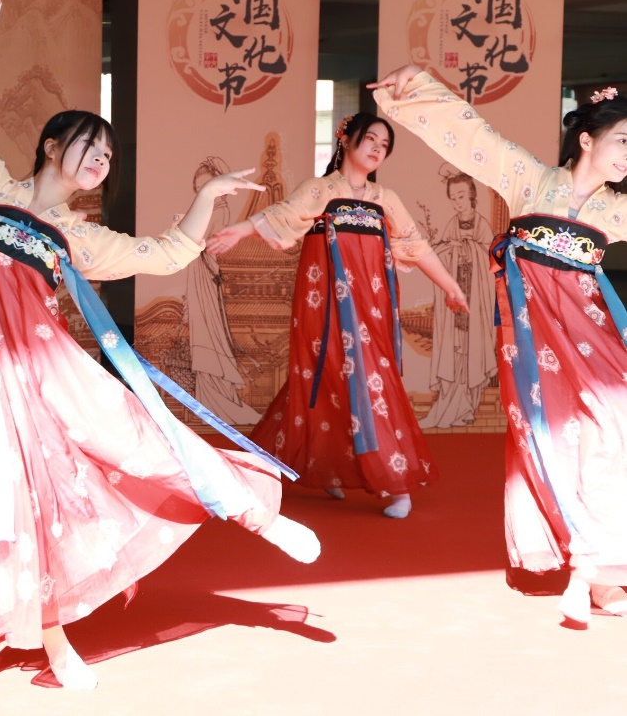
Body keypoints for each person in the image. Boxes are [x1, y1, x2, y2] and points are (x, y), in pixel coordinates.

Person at [0, 0, 320, 690]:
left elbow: (165, 254)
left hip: (54, 371)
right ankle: (54, 643)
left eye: (109, 155)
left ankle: (254, 512)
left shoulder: (80, 237)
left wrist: (208, 199)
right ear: (51, 145)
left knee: (146, 440)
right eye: (90, 146)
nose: (101, 160)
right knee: (24, 501)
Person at [373, 64, 627, 626]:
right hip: (534, 339)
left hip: (593, 335)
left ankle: (599, 567)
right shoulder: (530, 180)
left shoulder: (616, 209)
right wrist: (416, 87)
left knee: (616, 426)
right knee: (551, 437)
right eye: (623, 140)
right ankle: (592, 568)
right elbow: (472, 135)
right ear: (588, 140)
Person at [207, 113, 467, 519]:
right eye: (371, 139)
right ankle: (326, 466)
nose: (378, 148)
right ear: (345, 139)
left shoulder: (386, 199)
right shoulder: (320, 190)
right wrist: (239, 231)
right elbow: (280, 215)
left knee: (372, 379)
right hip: (322, 305)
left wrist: (450, 286)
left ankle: (394, 484)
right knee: (319, 376)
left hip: (370, 308)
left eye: (385, 144)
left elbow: (416, 246)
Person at [184, 158, 261, 425]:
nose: (203, 194)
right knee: (203, 329)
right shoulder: (210, 208)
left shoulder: (220, 209)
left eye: (208, 187)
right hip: (198, 271)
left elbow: (208, 242)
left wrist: (183, 229)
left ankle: (220, 400)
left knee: (210, 331)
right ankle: (208, 400)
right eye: (199, 190)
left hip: (206, 271)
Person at [422, 171, 497, 428]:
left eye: (462, 196)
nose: (458, 203)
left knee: (472, 351)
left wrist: (468, 248)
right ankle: (452, 405)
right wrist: (451, 249)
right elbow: (440, 254)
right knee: (454, 352)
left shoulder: (482, 224)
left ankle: (468, 407)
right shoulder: (451, 224)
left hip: (476, 300)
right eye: (453, 198)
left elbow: (490, 259)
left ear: (472, 196)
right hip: (456, 302)